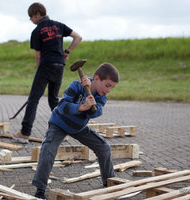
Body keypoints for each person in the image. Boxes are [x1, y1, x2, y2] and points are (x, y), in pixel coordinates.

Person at [32, 63, 120, 199]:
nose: (109, 90)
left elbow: (96, 113)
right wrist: (82, 106)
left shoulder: (101, 97)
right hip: (59, 124)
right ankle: (40, 190)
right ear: (96, 78)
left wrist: (91, 106)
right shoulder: (76, 85)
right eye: (107, 85)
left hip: (78, 128)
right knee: (48, 150)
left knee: (104, 148)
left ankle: (109, 183)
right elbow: (62, 106)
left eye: (112, 87)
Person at [13, 2, 82, 144]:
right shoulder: (59, 25)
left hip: (45, 66)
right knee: (54, 100)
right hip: (59, 66)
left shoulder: (37, 31)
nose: (30, 20)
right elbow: (78, 38)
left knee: (33, 100)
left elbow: (38, 56)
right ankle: (64, 132)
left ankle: (24, 133)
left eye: (31, 17)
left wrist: (39, 72)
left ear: (37, 15)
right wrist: (66, 51)